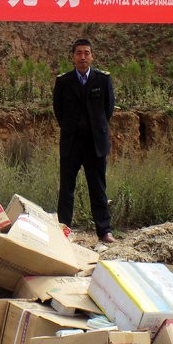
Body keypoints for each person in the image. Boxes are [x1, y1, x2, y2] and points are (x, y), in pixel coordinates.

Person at [53, 38, 116, 243]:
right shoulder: (63, 81)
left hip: (95, 143)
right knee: (67, 188)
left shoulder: (102, 79)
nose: (82, 57)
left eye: (86, 53)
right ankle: (64, 229)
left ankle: (104, 231)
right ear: (73, 57)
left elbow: (108, 109)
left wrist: (95, 128)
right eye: (79, 53)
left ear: (92, 56)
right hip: (71, 142)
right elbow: (59, 111)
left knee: (98, 188)